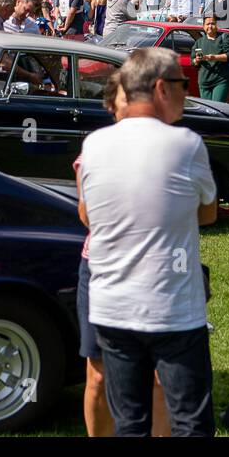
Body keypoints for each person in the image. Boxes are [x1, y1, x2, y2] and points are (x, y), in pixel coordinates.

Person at [78, 48, 218, 437]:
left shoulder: (94, 145)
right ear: (161, 89)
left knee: (130, 424)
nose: (187, 94)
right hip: (171, 307)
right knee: (191, 422)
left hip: (111, 305)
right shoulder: (187, 144)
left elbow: (88, 215)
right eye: (183, 85)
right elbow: (208, 213)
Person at [75, 72, 172, 437]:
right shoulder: (96, 149)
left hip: (157, 270)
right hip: (103, 270)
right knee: (98, 374)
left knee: (159, 376)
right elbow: (87, 214)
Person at [191, 14, 229, 102]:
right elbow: (193, 61)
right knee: (207, 111)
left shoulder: (224, 37)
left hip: (221, 80)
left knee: (217, 108)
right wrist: (197, 60)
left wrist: (214, 57)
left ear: (217, 25)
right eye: (207, 24)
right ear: (203, 26)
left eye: (212, 23)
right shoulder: (199, 42)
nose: (210, 26)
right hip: (204, 82)